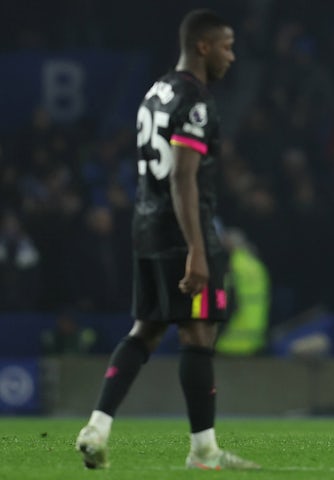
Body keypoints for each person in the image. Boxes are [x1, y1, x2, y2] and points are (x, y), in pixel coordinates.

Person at [75, 9, 259, 470]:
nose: (231, 56)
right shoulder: (196, 100)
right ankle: (204, 451)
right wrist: (198, 247)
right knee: (199, 331)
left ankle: (97, 426)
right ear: (202, 46)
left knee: (148, 327)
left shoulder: (156, 90)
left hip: (146, 225)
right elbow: (182, 176)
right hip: (182, 230)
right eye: (226, 45)